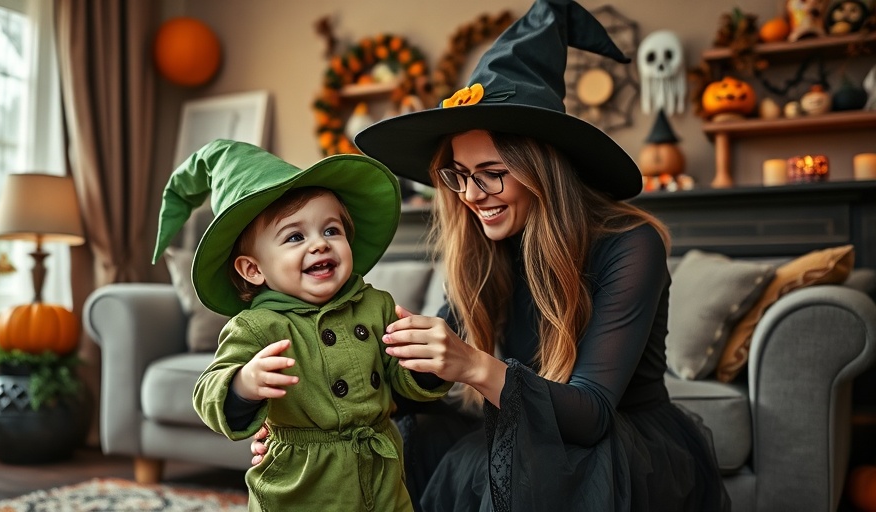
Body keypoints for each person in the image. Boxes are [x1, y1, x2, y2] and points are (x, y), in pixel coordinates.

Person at [254, 0, 732, 510]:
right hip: (527, 425)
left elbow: (590, 416)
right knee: (416, 427)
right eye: (459, 175)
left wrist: (471, 364)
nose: (472, 195)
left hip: (614, 442)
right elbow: (425, 376)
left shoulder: (631, 244)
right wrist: (308, 419)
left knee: (510, 461)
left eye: (492, 173)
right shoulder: (488, 247)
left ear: (542, 167)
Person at [151, 139, 451, 512]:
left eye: (331, 231)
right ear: (253, 269)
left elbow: (403, 384)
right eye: (295, 237)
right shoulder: (257, 326)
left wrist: (424, 367)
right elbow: (208, 390)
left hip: (379, 470)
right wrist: (244, 384)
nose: (319, 245)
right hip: (301, 483)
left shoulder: (376, 305)